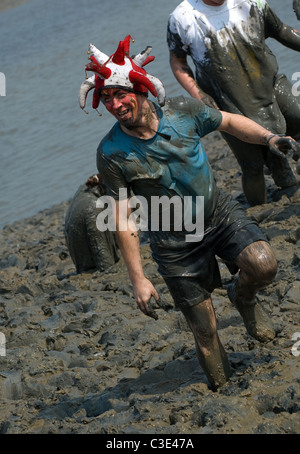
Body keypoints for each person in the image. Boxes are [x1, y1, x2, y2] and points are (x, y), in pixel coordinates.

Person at [78, 35, 300, 390]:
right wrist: (138, 278)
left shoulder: (183, 112)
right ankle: (222, 388)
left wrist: (270, 138)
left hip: (219, 215)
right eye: (106, 98)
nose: (116, 104)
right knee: (205, 330)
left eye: (121, 95)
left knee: (263, 264)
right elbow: (122, 218)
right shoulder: (111, 153)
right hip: (174, 243)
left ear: (142, 89)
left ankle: (242, 296)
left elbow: (228, 122)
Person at [167, 0, 300, 206]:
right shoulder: (182, 18)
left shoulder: (251, 2)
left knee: (297, 116)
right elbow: (178, 61)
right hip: (227, 100)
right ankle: (258, 208)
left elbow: (280, 30)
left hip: (270, 83)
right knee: (251, 163)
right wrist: (198, 94)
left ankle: (287, 175)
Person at [64, 174, 119, 274]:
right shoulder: (94, 209)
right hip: (91, 266)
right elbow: (106, 264)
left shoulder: (84, 189)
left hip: (82, 262)